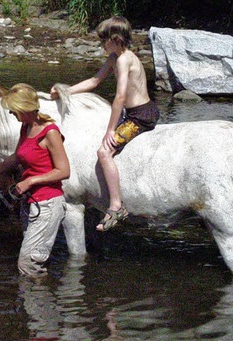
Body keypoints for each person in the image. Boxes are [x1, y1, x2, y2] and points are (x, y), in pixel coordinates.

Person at [50, 16, 159, 232]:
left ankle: (116, 206)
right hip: (132, 113)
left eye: (105, 40)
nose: (102, 44)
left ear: (116, 38)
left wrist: (111, 130)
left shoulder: (125, 59)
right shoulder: (114, 57)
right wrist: (64, 91)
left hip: (141, 115)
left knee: (104, 151)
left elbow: (119, 97)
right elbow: (94, 81)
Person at [0, 83, 70, 277]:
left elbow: (64, 171)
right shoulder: (25, 128)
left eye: (13, 110)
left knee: (27, 263)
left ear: (25, 108)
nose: (11, 114)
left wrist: (30, 181)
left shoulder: (50, 133)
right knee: (34, 260)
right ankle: (37, 302)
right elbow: (17, 157)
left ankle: (37, 303)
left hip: (48, 203)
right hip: (31, 202)